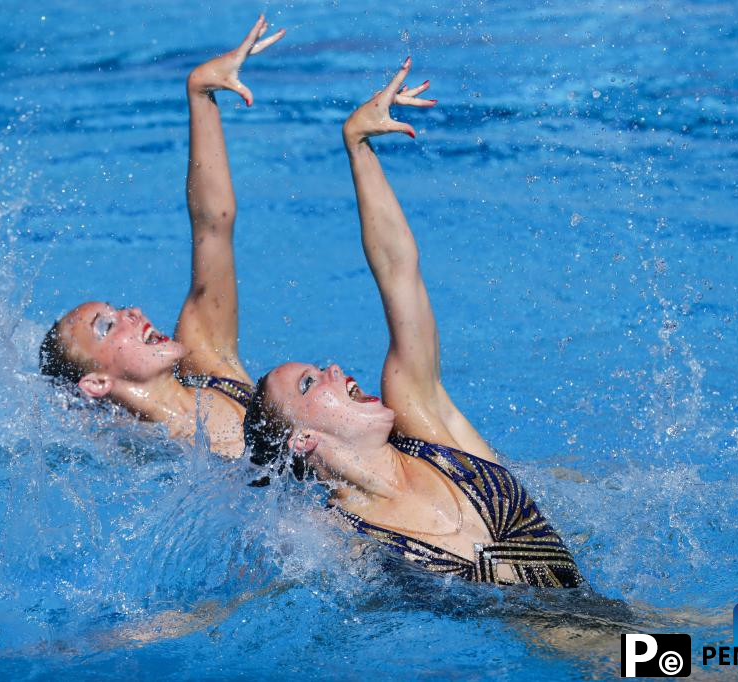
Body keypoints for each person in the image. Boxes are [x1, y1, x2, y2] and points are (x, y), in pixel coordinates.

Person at [243, 58, 584, 588]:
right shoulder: (330, 535)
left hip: (630, 630)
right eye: (310, 383)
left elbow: (400, 273)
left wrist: (356, 144)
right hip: (579, 659)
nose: (333, 367)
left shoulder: (429, 429)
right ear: (302, 440)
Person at [39, 16, 285, 458]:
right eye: (107, 325)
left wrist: (200, 93)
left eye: (117, 309)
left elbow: (214, 225)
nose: (132, 312)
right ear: (97, 382)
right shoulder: (136, 460)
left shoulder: (206, 355)